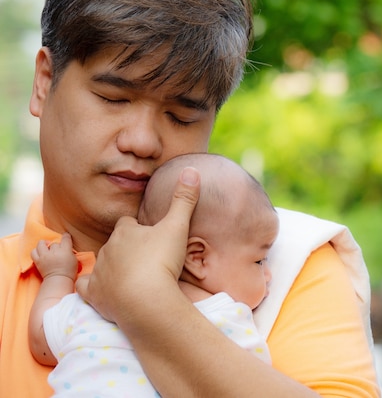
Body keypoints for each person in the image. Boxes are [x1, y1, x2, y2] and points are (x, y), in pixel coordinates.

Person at [0, 0, 379, 397]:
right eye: (112, 97)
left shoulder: (280, 263)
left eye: (181, 115)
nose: (141, 141)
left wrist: (151, 306)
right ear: (44, 83)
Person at [28, 153, 276, 395]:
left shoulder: (97, 300)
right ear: (197, 257)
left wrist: (58, 276)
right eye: (260, 260)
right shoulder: (227, 321)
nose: (269, 275)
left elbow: (41, 340)